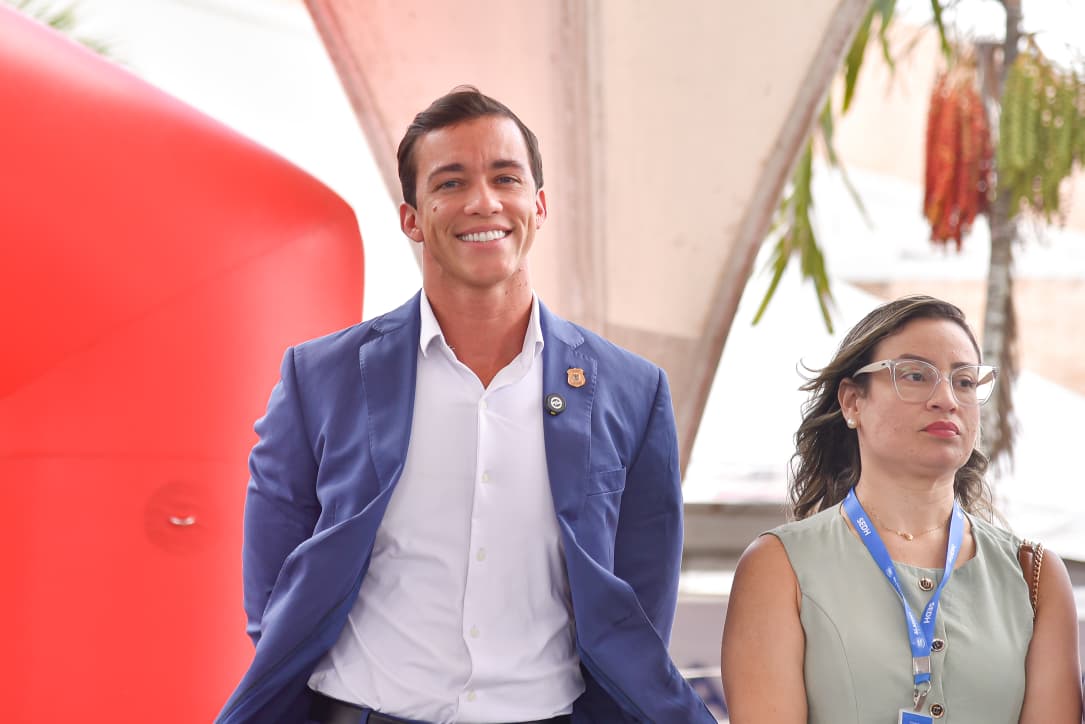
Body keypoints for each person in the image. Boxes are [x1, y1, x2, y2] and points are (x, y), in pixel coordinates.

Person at [217, 87, 715, 724]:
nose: (484, 202)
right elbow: (274, 594)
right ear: (412, 218)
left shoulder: (632, 391)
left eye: (505, 178)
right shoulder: (321, 379)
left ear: (538, 205)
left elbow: (641, 607)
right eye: (451, 183)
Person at [720, 295, 1082, 724]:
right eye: (915, 375)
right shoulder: (780, 566)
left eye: (965, 381)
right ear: (852, 402)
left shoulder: (1034, 575)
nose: (946, 398)